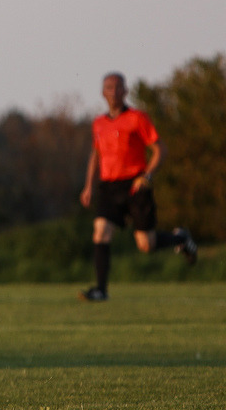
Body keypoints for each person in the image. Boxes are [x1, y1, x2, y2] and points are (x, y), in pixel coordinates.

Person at [78, 72, 197, 302]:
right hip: (109, 187)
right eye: (109, 88)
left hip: (134, 186)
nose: (114, 92)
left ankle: (181, 239)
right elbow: (96, 154)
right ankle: (101, 290)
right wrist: (88, 186)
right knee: (100, 231)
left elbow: (160, 149)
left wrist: (147, 176)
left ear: (126, 91)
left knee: (146, 245)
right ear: (103, 93)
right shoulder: (98, 123)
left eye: (118, 87)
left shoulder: (137, 118)